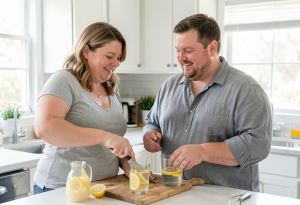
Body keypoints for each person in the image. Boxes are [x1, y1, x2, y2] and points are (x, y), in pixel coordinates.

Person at [143, 14, 272, 191]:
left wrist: (203, 151)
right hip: (174, 194)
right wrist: (150, 133)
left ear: (212, 48)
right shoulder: (169, 86)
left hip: (228, 199)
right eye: (177, 50)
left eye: (188, 50)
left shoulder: (246, 89)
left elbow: (258, 145)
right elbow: (152, 121)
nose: (180, 58)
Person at [33, 22, 154, 194]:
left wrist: (129, 165)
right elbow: (44, 128)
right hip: (61, 189)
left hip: (103, 188)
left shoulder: (112, 89)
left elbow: (113, 142)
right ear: (86, 51)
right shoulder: (64, 80)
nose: (116, 63)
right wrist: (104, 136)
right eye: (110, 56)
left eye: (119, 58)